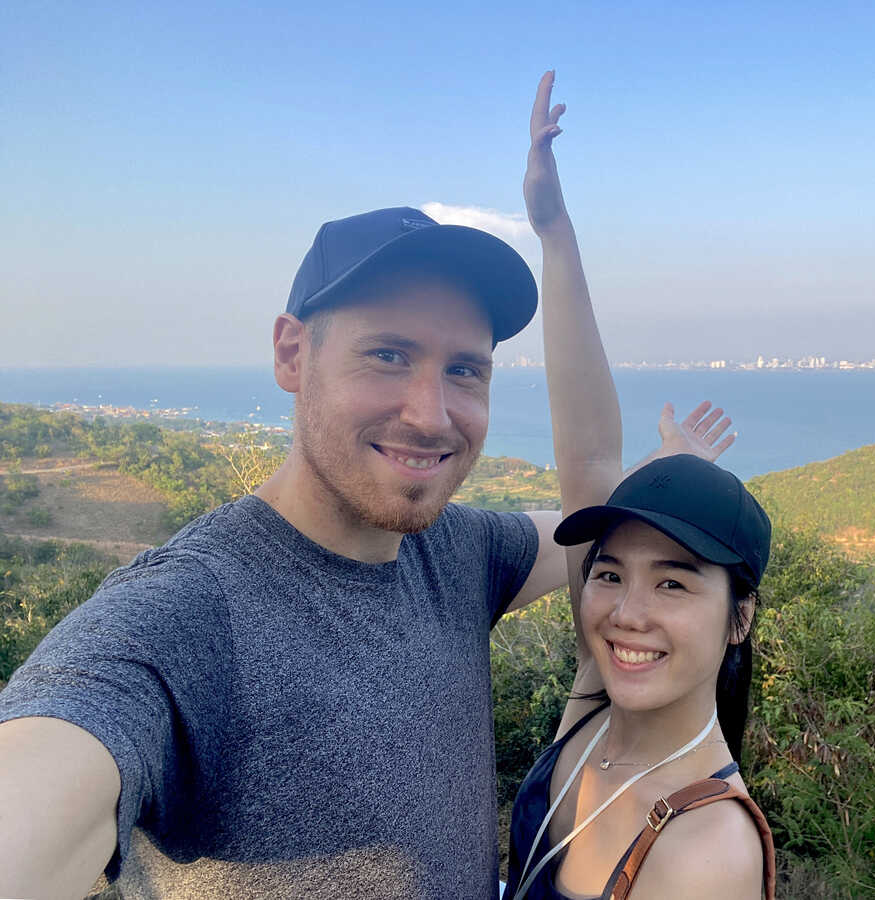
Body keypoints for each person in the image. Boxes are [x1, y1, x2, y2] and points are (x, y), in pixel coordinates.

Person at [0, 199, 722, 896]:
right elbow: (45, 775)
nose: (430, 414)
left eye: (464, 370)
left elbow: (589, 525)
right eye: (387, 354)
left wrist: (667, 479)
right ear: (291, 353)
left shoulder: (457, 554)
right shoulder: (179, 618)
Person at [506, 72, 776, 899]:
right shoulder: (598, 722)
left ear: (740, 618)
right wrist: (554, 234)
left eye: (674, 581)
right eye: (613, 574)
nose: (627, 610)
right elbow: (588, 463)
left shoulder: (706, 853)